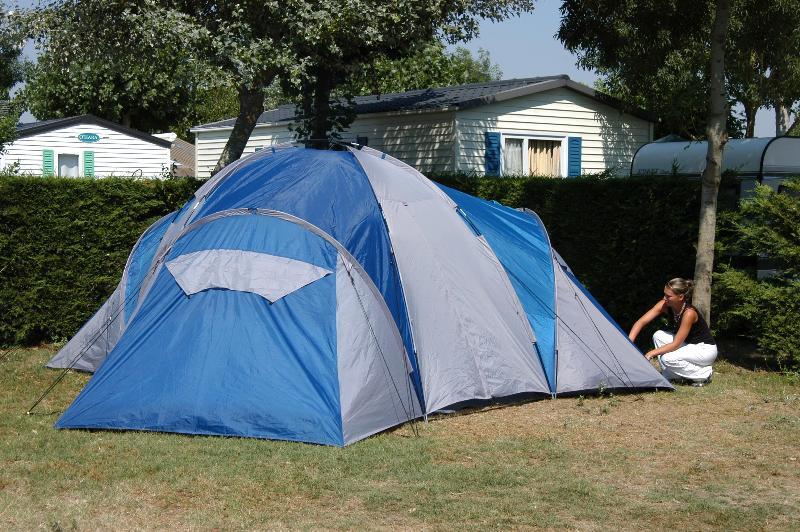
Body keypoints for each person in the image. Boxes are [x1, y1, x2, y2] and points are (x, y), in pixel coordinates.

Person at [628, 278, 717, 386]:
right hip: (689, 345)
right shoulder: (665, 305)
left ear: (680, 297)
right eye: (664, 294)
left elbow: (675, 345)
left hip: (704, 350)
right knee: (658, 335)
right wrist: (629, 342)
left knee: (667, 359)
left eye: (668, 296)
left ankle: (704, 373)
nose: (664, 298)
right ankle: (672, 375)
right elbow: (641, 322)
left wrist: (650, 354)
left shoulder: (689, 313)